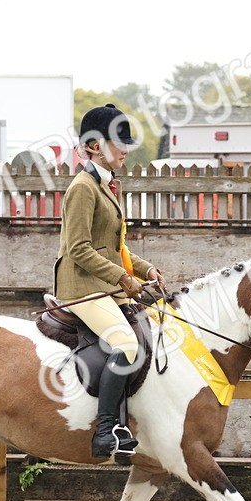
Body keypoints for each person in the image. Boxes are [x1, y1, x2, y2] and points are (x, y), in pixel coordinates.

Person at [54, 104, 167, 460]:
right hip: (82, 288)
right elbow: (78, 249)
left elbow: (115, 247)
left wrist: (145, 270)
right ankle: (104, 433)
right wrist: (122, 277)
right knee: (127, 344)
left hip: (104, 285)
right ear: (92, 146)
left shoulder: (106, 187)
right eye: (118, 142)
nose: (126, 149)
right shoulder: (83, 187)